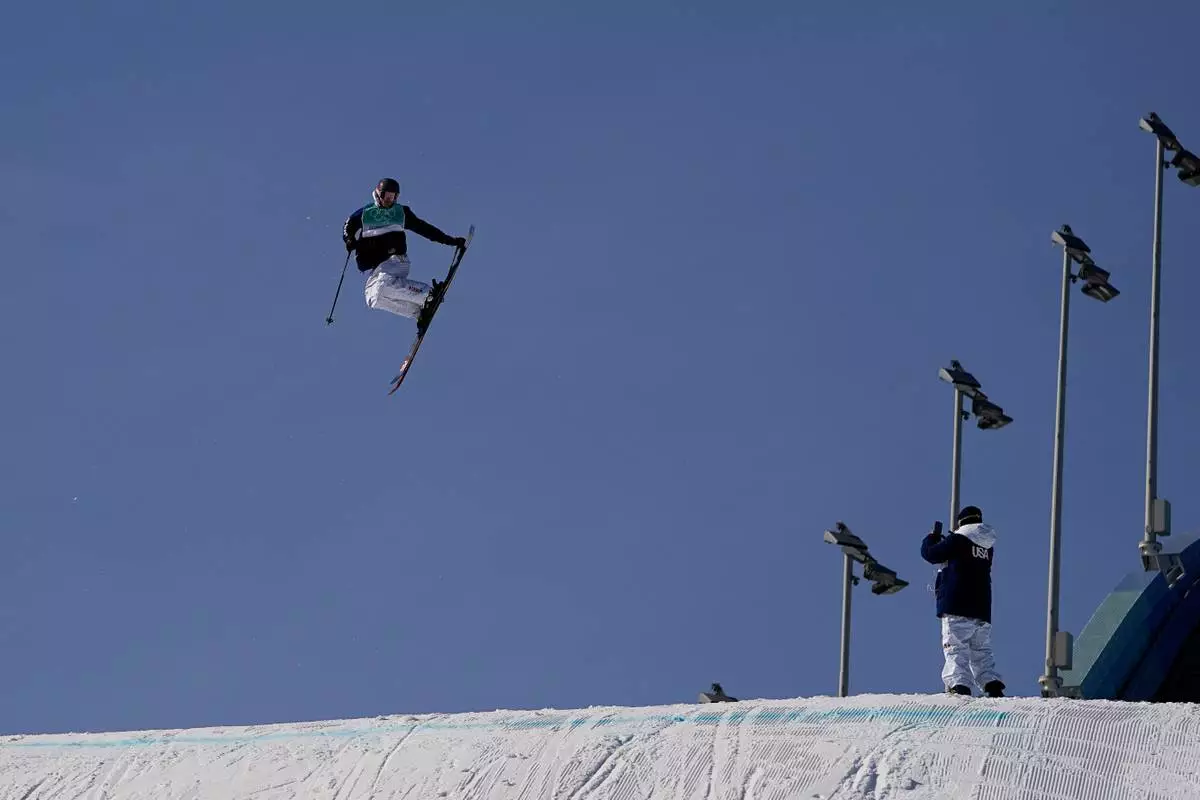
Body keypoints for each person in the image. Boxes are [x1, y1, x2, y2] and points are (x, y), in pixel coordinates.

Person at [342, 177, 467, 322]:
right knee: (373, 297)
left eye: (393, 196)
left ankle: (428, 294)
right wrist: (349, 239)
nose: (390, 199)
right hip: (379, 267)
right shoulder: (366, 213)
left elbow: (425, 229)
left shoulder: (400, 213)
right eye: (387, 195)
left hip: (396, 259)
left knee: (382, 286)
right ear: (379, 194)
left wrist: (449, 240)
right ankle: (418, 312)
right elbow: (348, 225)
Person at [920, 505, 1005, 698]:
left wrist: (931, 538)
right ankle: (991, 684)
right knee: (981, 649)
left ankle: (959, 685)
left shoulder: (958, 540)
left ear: (961, 523)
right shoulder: (987, 546)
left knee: (956, 647)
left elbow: (931, 554)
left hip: (957, 603)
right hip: (981, 607)